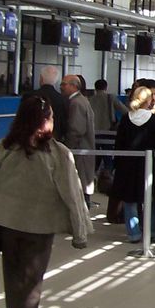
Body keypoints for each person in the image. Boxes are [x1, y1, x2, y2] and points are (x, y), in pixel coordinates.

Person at [0, 95, 91, 308]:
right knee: (32, 284)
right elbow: (72, 193)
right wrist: (80, 231)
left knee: (13, 281)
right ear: (46, 121)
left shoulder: (5, 147)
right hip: (38, 228)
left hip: (6, 224)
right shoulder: (57, 153)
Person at [111, 86, 155, 242]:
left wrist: (117, 165)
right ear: (149, 100)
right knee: (149, 200)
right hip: (149, 167)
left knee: (129, 200)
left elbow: (119, 144)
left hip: (127, 167)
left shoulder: (125, 119)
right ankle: (150, 231)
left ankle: (133, 233)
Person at [61, 74, 95, 209]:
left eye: (64, 84)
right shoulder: (83, 101)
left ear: (74, 86)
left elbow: (76, 130)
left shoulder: (76, 103)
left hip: (80, 151)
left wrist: (67, 148)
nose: (61, 87)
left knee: (80, 187)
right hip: (84, 151)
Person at [35, 66, 68, 143]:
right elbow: (64, 123)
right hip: (55, 140)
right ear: (56, 81)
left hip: (33, 139)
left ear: (41, 78)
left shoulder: (30, 96)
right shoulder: (62, 99)